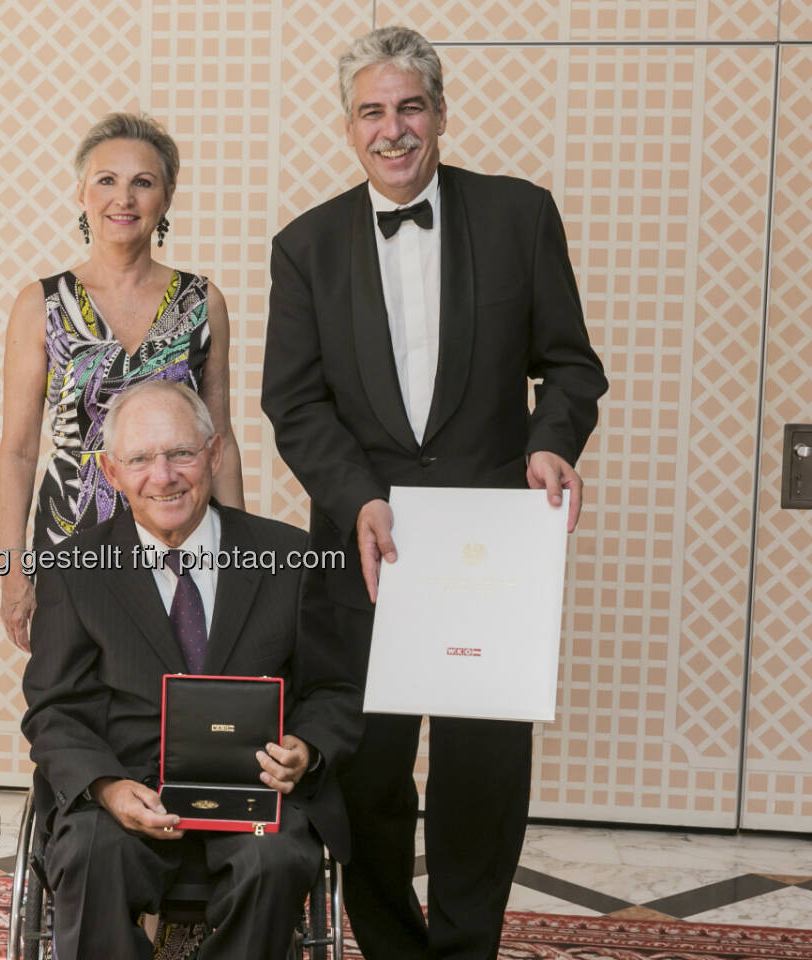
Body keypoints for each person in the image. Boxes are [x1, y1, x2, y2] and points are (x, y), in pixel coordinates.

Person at [261, 26, 608, 960]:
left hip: (489, 549)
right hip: (362, 550)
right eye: (372, 111)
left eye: (410, 106)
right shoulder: (304, 247)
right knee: (365, 773)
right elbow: (291, 403)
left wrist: (549, 446)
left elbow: (572, 370)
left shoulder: (519, 216)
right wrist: (359, 497)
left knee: (481, 776)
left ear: (441, 114)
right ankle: (391, 947)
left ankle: (465, 950)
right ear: (347, 127)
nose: (393, 128)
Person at [22, 380, 360, 960]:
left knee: (275, 861)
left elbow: (334, 689)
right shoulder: (73, 569)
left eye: (181, 453)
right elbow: (55, 710)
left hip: (255, 795)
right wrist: (106, 788)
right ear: (110, 471)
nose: (164, 475)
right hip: (127, 792)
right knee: (90, 855)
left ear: (215, 453)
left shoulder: (291, 558)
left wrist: (305, 748)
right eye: (140, 459)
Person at [0, 112, 245, 651]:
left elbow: (220, 438)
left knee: (176, 702)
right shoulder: (40, 304)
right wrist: (13, 571)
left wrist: (240, 559)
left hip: (180, 542)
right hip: (69, 542)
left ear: (167, 198)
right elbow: (17, 451)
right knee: (73, 708)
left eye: (143, 182)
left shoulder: (204, 303)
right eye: (107, 180)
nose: (123, 198)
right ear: (82, 192)